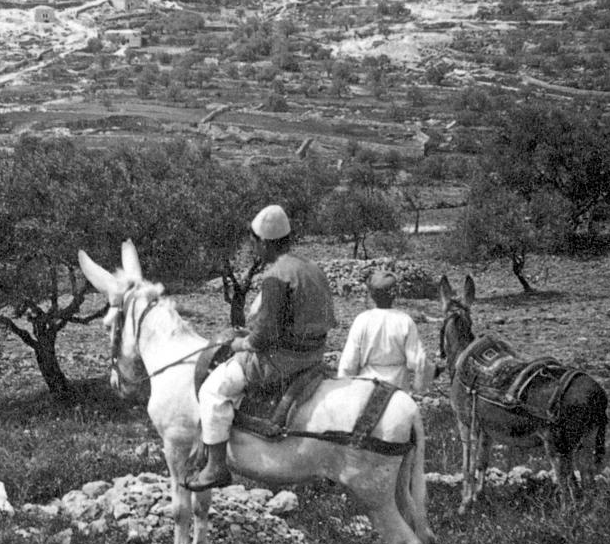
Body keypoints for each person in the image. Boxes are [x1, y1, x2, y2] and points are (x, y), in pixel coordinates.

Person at [185, 205, 336, 491]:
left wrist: (240, 342)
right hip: (313, 355)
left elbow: (263, 337)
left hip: (282, 360)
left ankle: (216, 467)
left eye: (254, 242)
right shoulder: (312, 267)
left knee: (212, 390)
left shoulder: (276, 276)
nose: (254, 248)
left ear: (265, 242)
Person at [336, 269, 431, 394]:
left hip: (366, 386)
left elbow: (349, 363)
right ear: (394, 295)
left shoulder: (362, 320)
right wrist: (418, 388)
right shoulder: (405, 321)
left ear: (372, 295)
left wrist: (343, 390)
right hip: (397, 388)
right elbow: (417, 361)